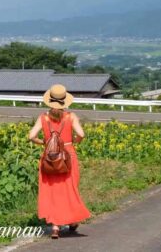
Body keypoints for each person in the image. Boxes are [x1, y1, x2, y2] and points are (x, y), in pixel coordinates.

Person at [28, 84, 92, 239]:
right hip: (68, 155)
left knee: (52, 191)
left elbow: (31, 136)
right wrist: (75, 141)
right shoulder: (71, 117)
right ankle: (71, 221)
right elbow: (81, 134)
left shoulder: (43, 117)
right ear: (65, 101)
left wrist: (44, 143)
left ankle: (55, 227)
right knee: (69, 189)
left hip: (49, 157)